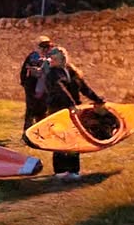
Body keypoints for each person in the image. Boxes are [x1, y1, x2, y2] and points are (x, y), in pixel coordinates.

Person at [38, 45, 105, 180]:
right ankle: (60, 171)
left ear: (61, 58)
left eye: (53, 57)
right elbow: (60, 89)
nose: (51, 60)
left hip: (74, 111)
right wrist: (70, 104)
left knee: (74, 139)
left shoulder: (72, 71)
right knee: (61, 139)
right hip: (58, 110)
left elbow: (84, 88)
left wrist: (98, 100)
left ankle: (73, 170)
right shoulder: (52, 74)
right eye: (51, 58)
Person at [20, 35, 53, 130]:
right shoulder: (33, 56)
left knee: (42, 110)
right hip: (32, 86)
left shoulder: (51, 58)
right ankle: (27, 131)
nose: (46, 50)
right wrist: (24, 82)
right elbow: (24, 70)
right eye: (45, 48)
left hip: (44, 88)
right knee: (31, 109)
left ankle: (40, 131)